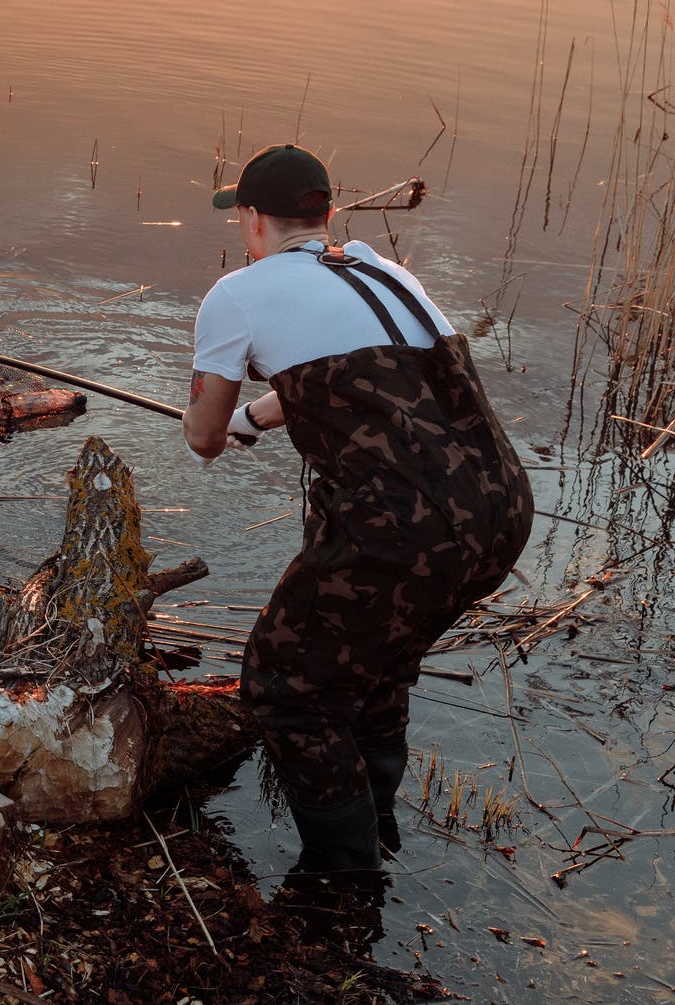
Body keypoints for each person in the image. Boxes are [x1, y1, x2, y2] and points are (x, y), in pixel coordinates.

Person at [182, 143, 533, 876]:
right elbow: (374, 385)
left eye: (241, 213)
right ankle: (378, 828)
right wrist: (260, 415)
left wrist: (223, 421)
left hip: (401, 530)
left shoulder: (236, 294)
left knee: (284, 686)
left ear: (250, 218)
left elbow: (202, 438)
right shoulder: (383, 270)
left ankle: (343, 880)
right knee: (379, 666)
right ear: (327, 214)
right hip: (499, 509)